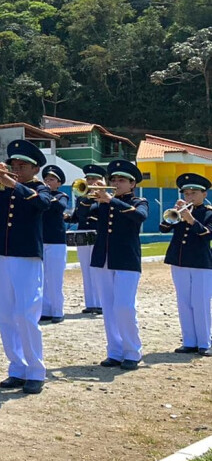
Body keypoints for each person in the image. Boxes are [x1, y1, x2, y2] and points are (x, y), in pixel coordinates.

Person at [0, 139, 52, 395]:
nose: (17, 168)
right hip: (2, 255)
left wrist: (14, 185)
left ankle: (36, 370)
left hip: (27, 257)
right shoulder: (3, 190)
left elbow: (43, 204)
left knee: (26, 314)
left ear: (35, 169)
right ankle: (17, 368)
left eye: (23, 165)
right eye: (14, 164)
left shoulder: (40, 188)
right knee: (6, 315)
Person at [88, 159, 147, 370]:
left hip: (126, 259)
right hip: (103, 258)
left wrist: (111, 200)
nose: (116, 182)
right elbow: (84, 214)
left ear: (132, 184)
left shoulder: (139, 201)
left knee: (124, 307)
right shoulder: (103, 203)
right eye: (113, 179)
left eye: (121, 180)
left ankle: (133, 351)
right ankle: (115, 351)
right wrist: (91, 195)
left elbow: (139, 217)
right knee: (109, 308)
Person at [160, 173, 212, 356]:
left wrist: (191, 219)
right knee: (184, 302)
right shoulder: (179, 213)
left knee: (200, 302)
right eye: (186, 193)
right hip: (179, 261)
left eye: (193, 193)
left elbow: (207, 235)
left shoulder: (209, 213)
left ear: (204, 194)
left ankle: (205, 342)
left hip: (201, 263)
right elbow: (163, 228)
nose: (189, 197)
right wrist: (172, 216)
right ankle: (189, 341)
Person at [72, 164, 106, 315]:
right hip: (83, 233)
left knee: (98, 269)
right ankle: (91, 303)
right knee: (86, 269)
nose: (90, 182)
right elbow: (79, 215)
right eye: (88, 179)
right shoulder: (82, 197)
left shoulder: (103, 197)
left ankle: (100, 302)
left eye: (94, 179)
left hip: (97, 233)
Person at [40, 165, 70, 324]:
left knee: (55, 278)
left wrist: (45, 195)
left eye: (51, 179)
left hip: (56, 241)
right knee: (42, 278)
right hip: (40, 239)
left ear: (58, 183)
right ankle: (45, 310)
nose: (47, 181)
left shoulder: (61, 195)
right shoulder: (39, 195)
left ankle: (58, 310)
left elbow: (59, 207)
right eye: (45, 179)